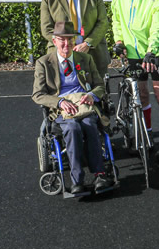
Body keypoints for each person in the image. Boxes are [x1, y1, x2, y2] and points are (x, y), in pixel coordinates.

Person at [31, 21, 114, 194]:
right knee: (73, 128)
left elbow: (99, 85)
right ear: (54, 41)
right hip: (61, 110)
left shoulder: (85, 58)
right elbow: (37, 95)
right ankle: (77, 180)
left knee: (91, 125)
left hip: (84, 105)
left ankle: (100, 174)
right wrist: (60, 102)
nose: (66, 44)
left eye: (70, 40)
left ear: (75, 40)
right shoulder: (44, 63)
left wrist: (91, 95)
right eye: (62, 40)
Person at [111, 0, 159, 158]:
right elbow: (117, 22)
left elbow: (158, 25)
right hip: (132, 53)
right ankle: (146, 136)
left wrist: (151, 50)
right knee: (142, 95)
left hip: (154, 53)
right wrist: (119, 41)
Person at [40, 0, 110, 75]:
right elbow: (46, 29)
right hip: (61, 53)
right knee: (63, 90)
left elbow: (103, 22)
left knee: (96, 90)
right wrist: (66, 45)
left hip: (93, 52)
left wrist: (87, 44)